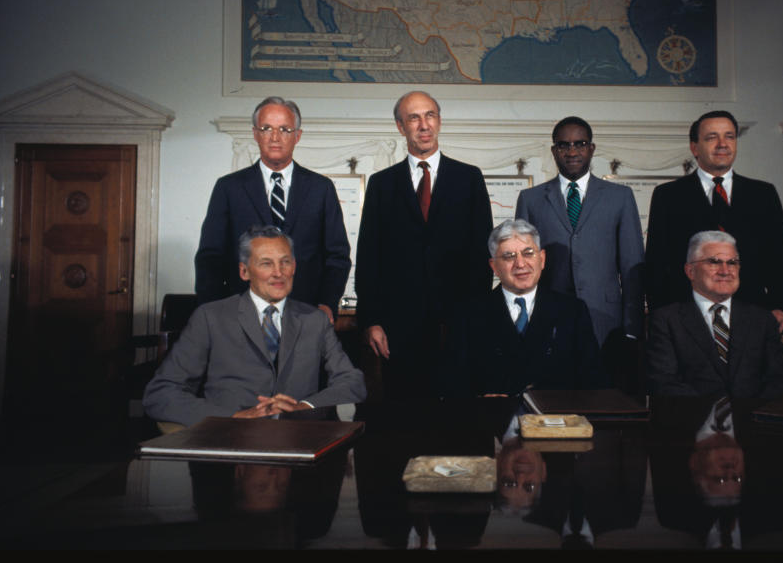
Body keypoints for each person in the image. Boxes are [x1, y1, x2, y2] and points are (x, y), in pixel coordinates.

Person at [145, 226, 365, 427]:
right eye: (266, 263)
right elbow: (160, 394)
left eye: (285, 262)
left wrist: (304, 407)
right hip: (229, 441)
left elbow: (352, 382)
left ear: (294, 267)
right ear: (244, 272)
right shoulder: (210, 317)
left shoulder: (314, 320)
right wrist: (233, 418)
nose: (278, 273)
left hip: (298, 441)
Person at [355, 90, 493, 397]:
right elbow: (368, 259)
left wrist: (476, 320)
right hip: (398, 329)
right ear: (400, 127)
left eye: (430, 115)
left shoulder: (469, 179)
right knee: (405, 423)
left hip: (457, 325)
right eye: (414, 118)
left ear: (440, 121)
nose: (424, 125)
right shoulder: (381, 184)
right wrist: (372, 321)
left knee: (457, 424)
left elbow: (481, 257)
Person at [194, 96, 351, 322]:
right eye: (267, 128)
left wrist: (327, 303)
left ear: (297, 136)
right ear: (255, 134)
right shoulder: (229, 188)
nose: (275, 137)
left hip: (305, 314)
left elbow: (337, 256)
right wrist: (213, 312)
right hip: (241, 315)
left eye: (285, 129)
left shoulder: (321, 188)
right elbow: (210, 257)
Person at [515, 116, 644, 388]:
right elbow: (521, 266)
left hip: (605, 318)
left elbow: (632, 265)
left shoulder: (619, 197)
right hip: (548, 316)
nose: (572, 151)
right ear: (554, 151)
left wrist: (633, 327)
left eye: (579, 144)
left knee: (603, 394)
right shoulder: (531, 199)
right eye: (563, 145)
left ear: (592, 148)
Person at [645, 110, 783, 332]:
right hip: (687, 318)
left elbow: (780, 259)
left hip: (752, 315)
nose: (722, 144)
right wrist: (663, 317)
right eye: (711, 137)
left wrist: (781, 307)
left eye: (729, 136)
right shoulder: (668, 195)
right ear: (694, 147)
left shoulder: (763, 194)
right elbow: (656, 263)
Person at [444, 219, 603, 397]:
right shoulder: (469, 314)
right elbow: (453, 385)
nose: (520, 264)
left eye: (528, 253)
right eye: (509, 256)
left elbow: (594, 383)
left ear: (542, 259)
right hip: (494, 421)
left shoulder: (572, 312)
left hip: (556, 421)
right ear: (494, 267)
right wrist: (480, 402)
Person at [645, 230, 783, 398]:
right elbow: (663, 383)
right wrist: (713, 415)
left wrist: (747, 414)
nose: (725, 271)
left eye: (732, 262)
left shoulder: (762, 319)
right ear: (690, 271)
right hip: (693, 419)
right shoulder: (667, 320)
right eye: (714, 262)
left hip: (752, 419)